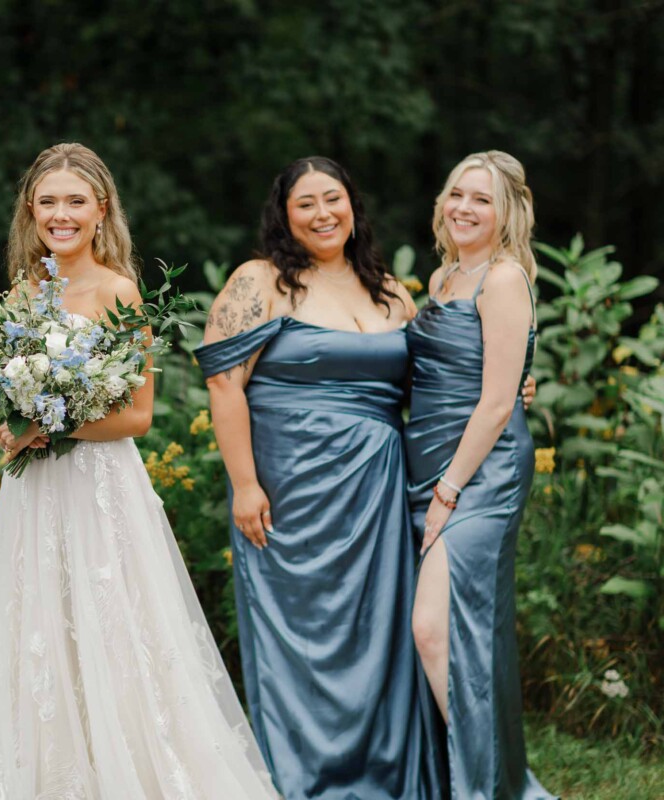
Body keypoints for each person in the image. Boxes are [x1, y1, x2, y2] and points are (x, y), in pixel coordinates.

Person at [0, 143, 280, 799]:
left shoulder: (119, 291)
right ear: (30, 211)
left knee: (115, 632)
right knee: (38, 633)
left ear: (101, 209)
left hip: (99, 489)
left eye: (75, 201)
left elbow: (137, 416)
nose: (60, 214)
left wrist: (50, 424)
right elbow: (1, 386)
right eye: (48, 202)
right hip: (35, 491)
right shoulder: (22, 291)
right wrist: (8, 420)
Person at [196, 156, 441, 799]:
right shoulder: (262, 281)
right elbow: (224, 385)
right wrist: (245, 484)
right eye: (305, 203)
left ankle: (384, 774)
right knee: (303, 636)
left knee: (378, 634)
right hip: (290, 489)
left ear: (352, 205)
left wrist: (508, 380)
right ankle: (305, 779)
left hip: (380, 494)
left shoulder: (390, 289)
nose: (323, 213)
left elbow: (435, 388)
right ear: (284, 214)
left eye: (333, 198)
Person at [406, 151, 555, 798]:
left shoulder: (502, 278)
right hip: (431, 460)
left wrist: (448, 491)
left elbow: (496, 402)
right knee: (458, 634)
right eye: (456, 194)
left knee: (433, 630)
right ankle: (489, 777)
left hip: (480, 473)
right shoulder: (442, 278)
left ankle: (496, 786)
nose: (464, 208)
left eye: (482, 199)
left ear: (507, 213)